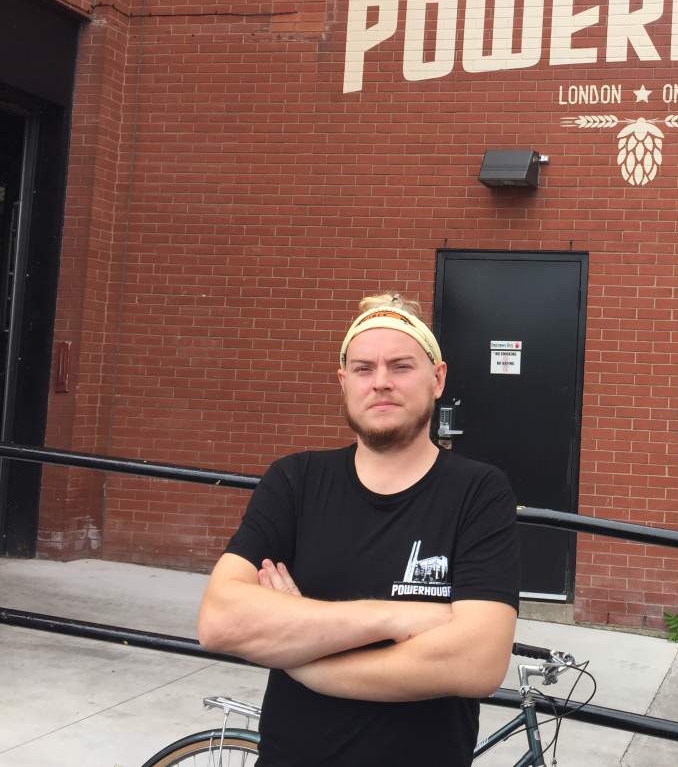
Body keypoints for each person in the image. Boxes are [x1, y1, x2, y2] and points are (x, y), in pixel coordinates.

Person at [197, 293, 520, 766]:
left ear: (437, 378)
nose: (381, 383)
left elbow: (477, 662)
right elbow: (220, 620)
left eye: (401, 366)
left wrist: (306, 659)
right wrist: (397, 617)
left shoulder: (479, 492)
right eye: (364, 369)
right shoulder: (296, 481)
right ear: (344, 383)